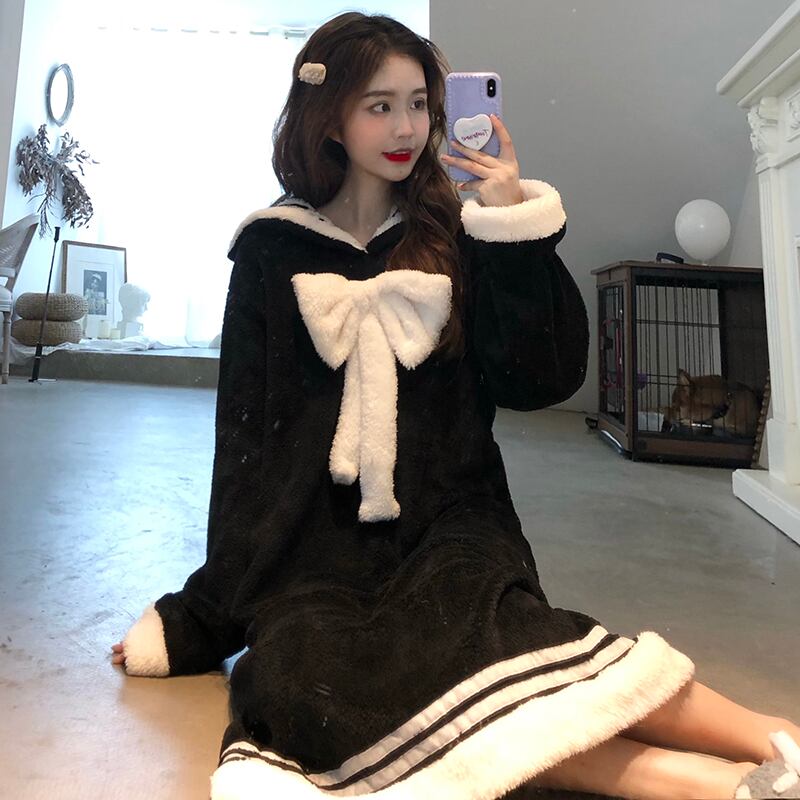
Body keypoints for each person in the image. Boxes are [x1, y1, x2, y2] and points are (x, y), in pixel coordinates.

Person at [111, 12, 800, 800]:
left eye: (419, 104)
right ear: (329, 117)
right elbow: (244, 447)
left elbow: (540, 380)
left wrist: (509, 224)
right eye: (379, 106)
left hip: (453, 521)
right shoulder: (270, 251)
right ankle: (705, 784)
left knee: (496, 636)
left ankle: (776, 735)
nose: (407, 128)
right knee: (302, 683)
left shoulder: (458, 234)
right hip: (315, 549)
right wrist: (203, 611)